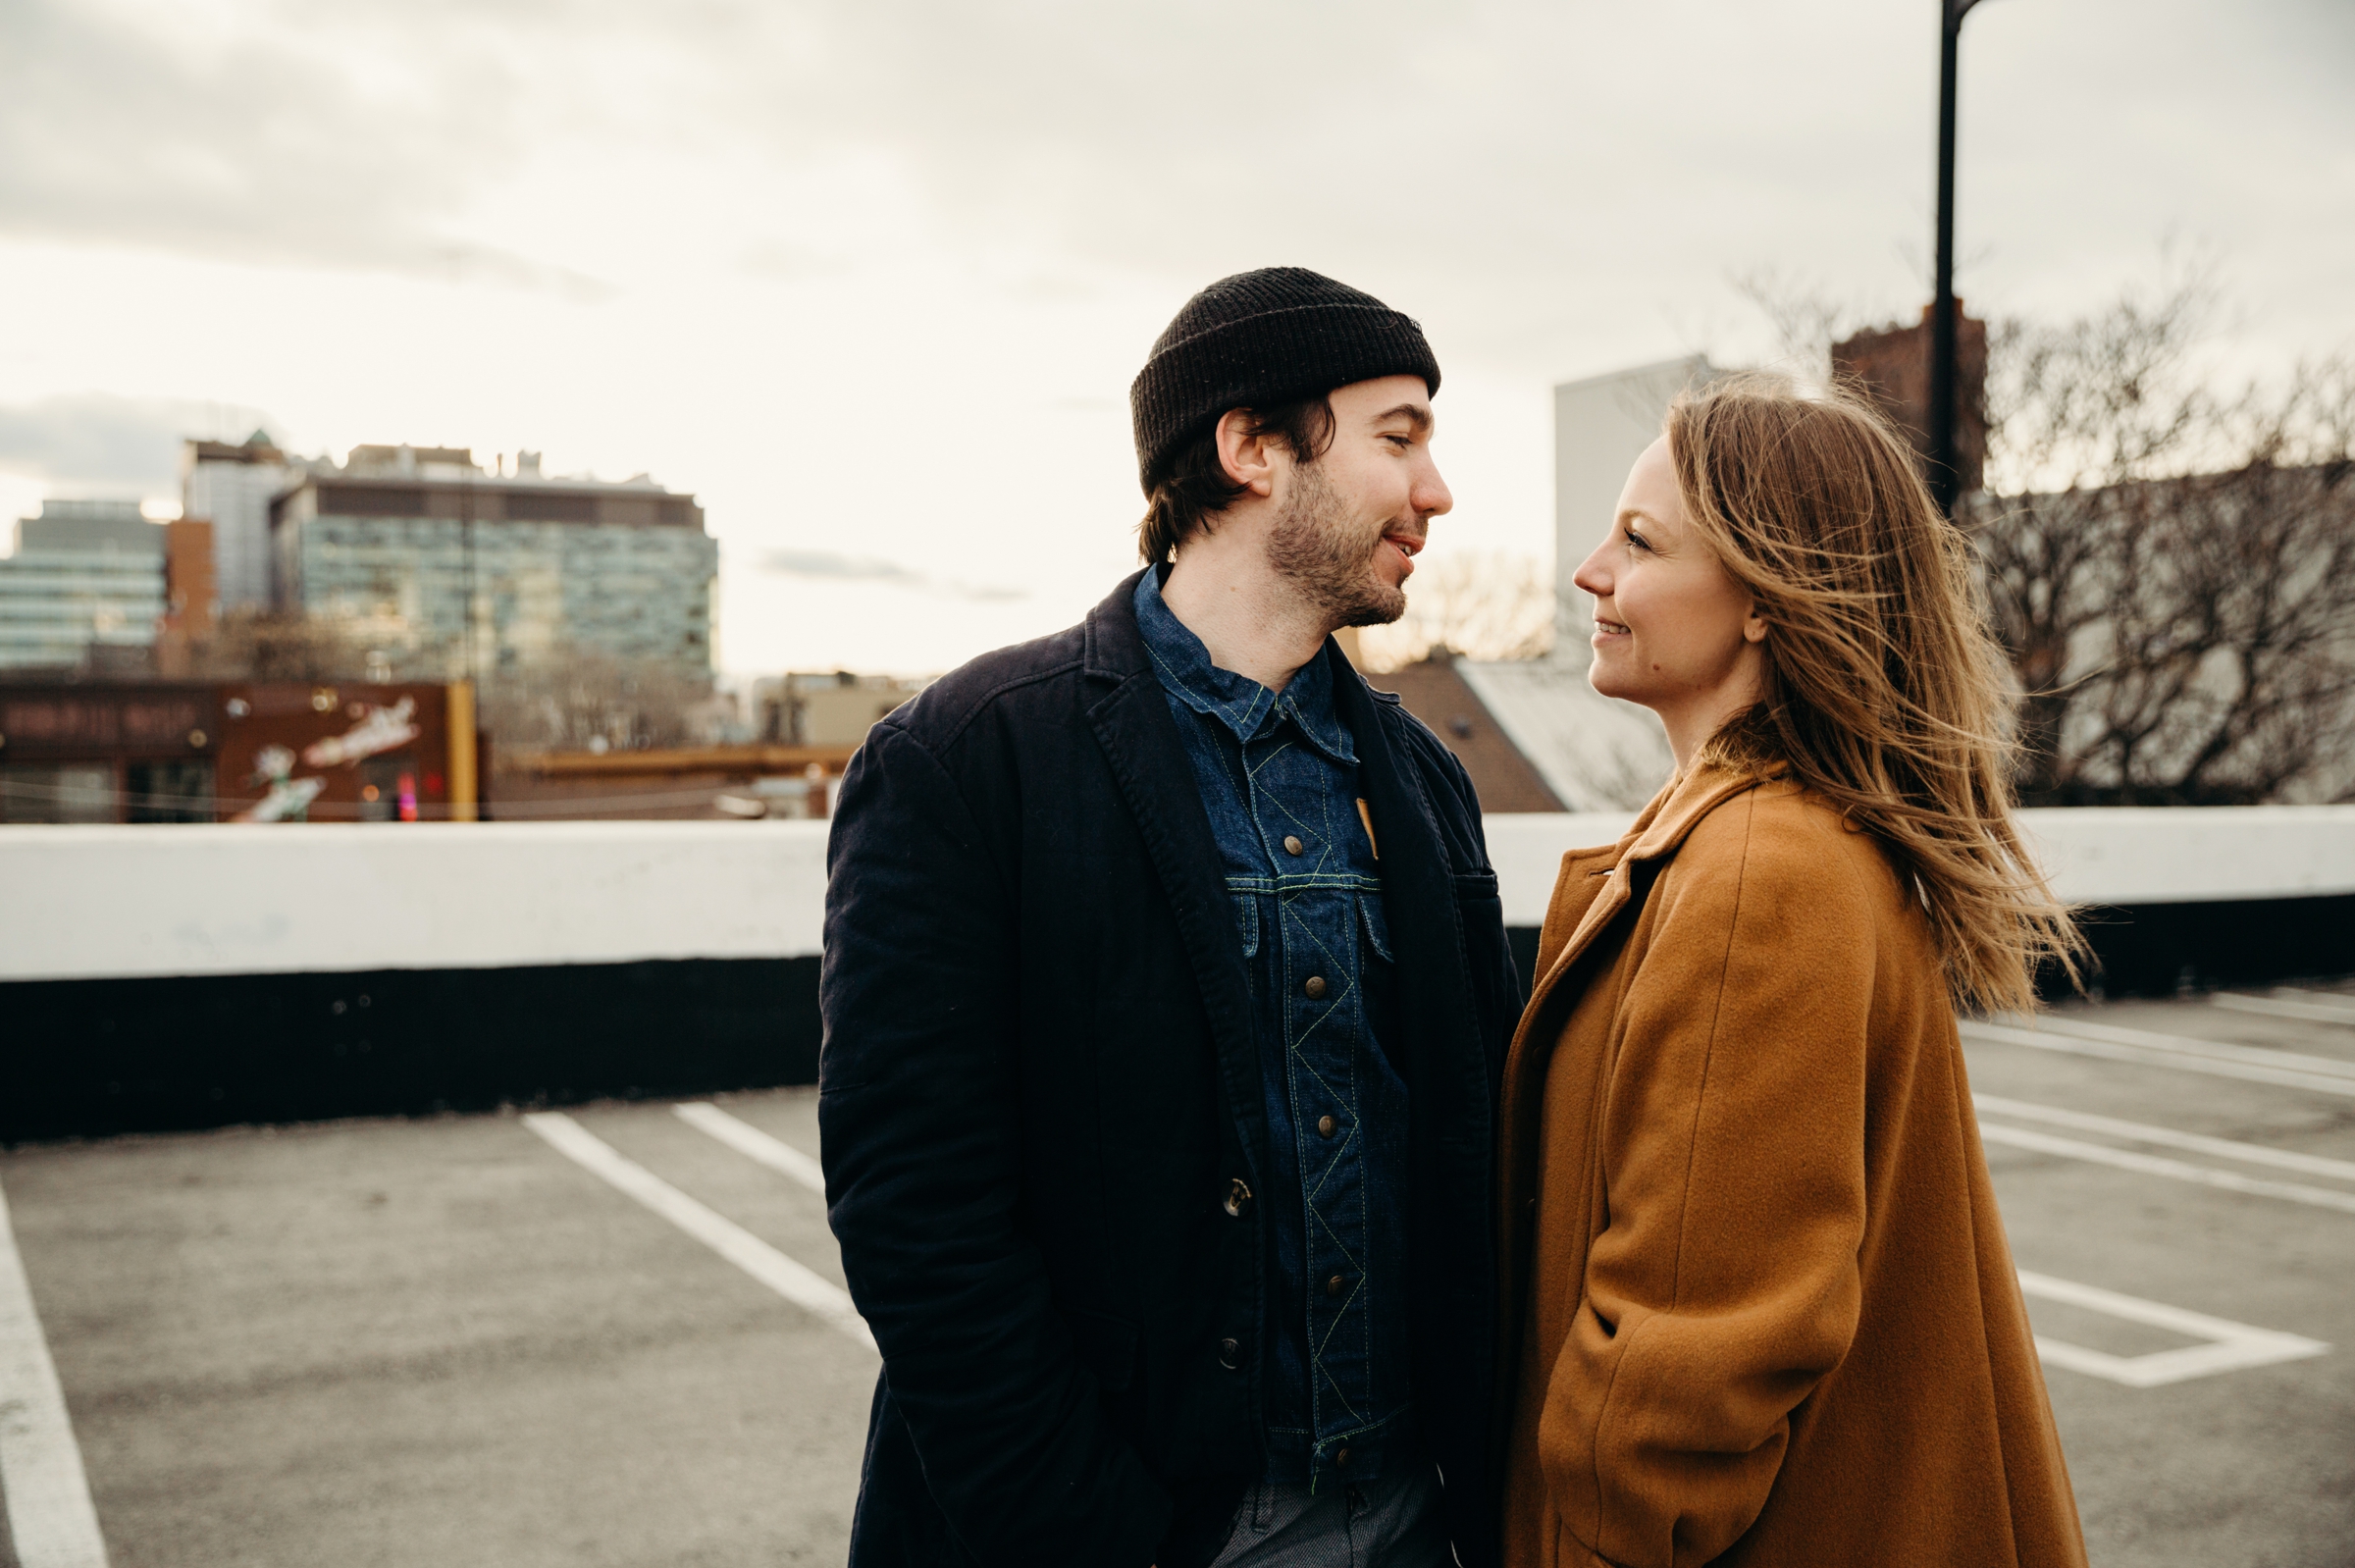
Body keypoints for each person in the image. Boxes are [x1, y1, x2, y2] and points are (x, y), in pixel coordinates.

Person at [820, 268, 1522, 1568]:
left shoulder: (1424, 784)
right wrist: (1096, 1536)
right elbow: (917, 1211)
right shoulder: (970, 760)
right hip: (1141, 1533)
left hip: (1412, 1518)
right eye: (1400, 436)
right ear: (1251, 447)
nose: (1437, 490)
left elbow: (1470, 1160)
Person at [1496, 377, 2089, 1568]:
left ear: (1764, 598)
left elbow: (1691, 1359)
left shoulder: (1760, 869)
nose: (1590, 572)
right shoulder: (1765, 838)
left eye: (1640, 541)